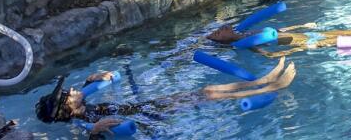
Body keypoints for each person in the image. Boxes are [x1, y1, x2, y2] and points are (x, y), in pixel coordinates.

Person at [34, 57, 296, 133]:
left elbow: (85, 96)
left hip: (144, 107)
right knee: (206, 95)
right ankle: (269, 87)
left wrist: (91, 79)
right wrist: (95, 132)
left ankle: (264, 81)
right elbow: (87, 132)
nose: (71, 91)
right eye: (67, 95)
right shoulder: (82, 124)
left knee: (205, 92)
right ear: (64, 109)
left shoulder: (82, 108)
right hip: (149, 117)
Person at [207, 14, 351, 57]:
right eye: (217, 34)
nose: (219, 30)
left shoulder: (247, 31)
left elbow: (280, 31)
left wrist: (303, 23)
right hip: (313, 42)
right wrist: (297, 50)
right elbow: (268, 54)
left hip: (310, 33)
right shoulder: (245, 44)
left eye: (217, 29)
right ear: (224, 41)